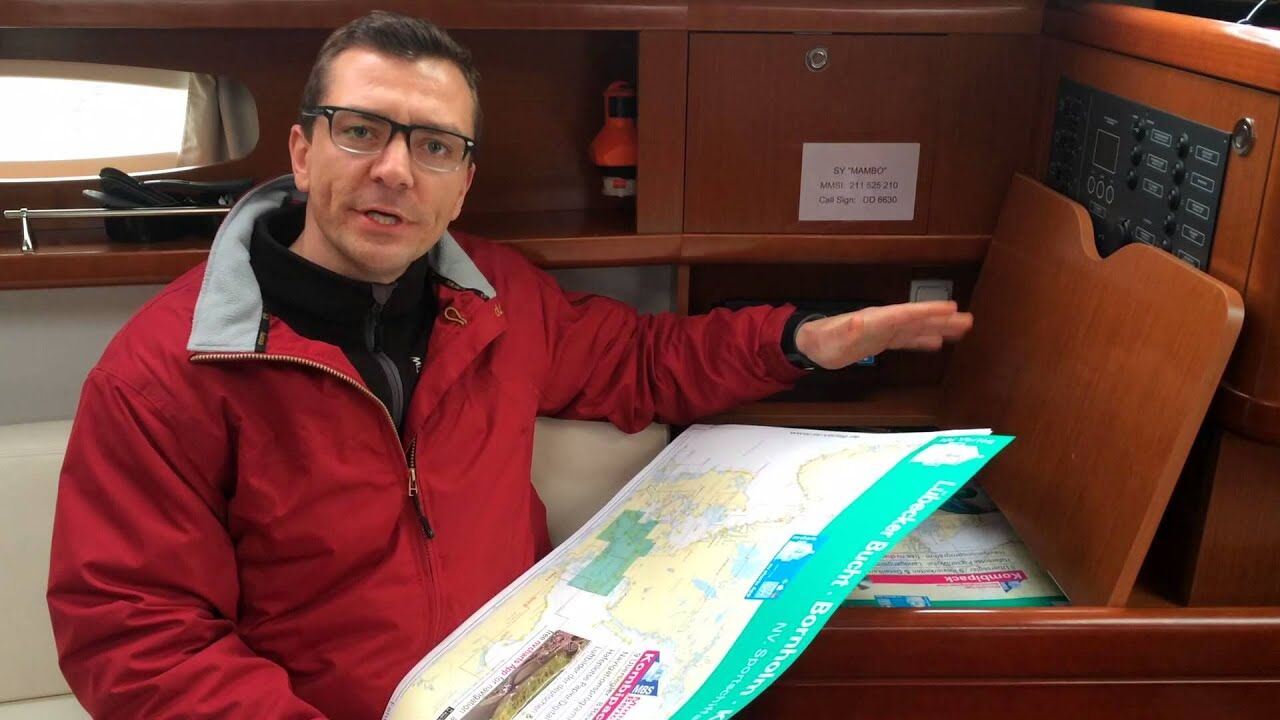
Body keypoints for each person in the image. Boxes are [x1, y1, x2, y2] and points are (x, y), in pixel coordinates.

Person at [46, 10, 971, 720]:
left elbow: (645, 361)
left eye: (433, 146)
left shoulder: (500, 299)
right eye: (361, 130)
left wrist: (802, 340)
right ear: (302, 149)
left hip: (533, 685)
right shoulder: (164, 373)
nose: (395, 170)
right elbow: (137, 639)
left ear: (462, 183)